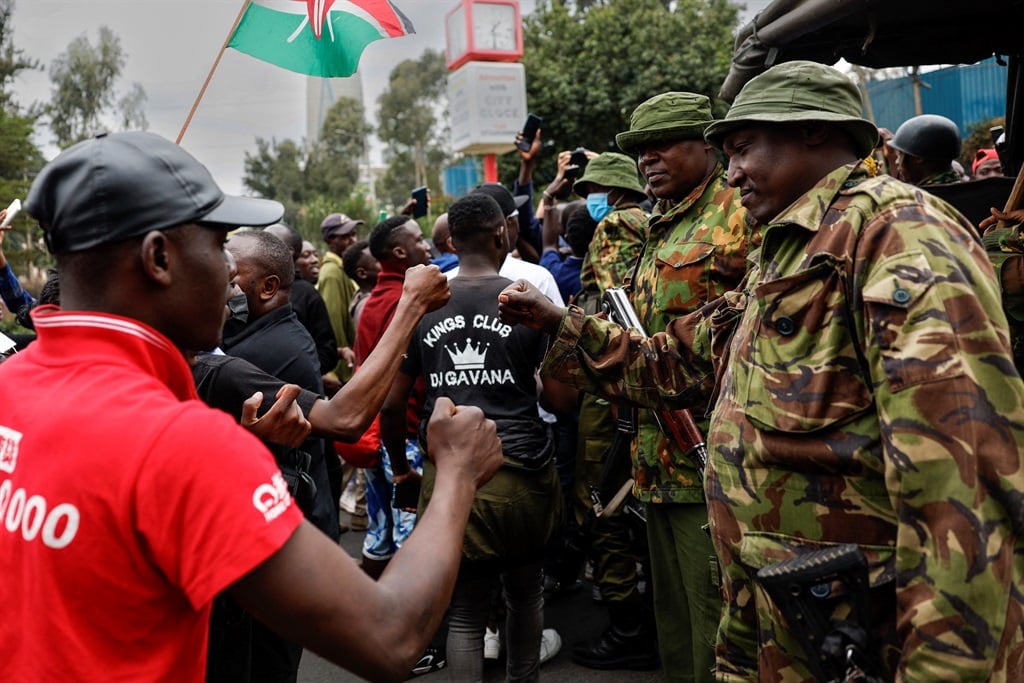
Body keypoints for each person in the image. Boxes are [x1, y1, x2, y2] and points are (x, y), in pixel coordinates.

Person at [498, 61, 1024, 681]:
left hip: (869, 626)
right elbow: (677, 361)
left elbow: (961, 476)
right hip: (791, 608)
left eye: (743, 148)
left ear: (813, 133)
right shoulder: (790, 246)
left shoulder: (899, 234)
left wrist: (945, 666)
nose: (733, 169)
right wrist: (560, 325)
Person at [0, 130, 503, 682]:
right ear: (159, 258)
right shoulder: (184, 444)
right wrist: (456, 471)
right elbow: (390, 636)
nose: (227, 276)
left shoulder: (11, 384)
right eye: (217, 245)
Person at [382, 193, 564, 683]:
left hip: (451, 479)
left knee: (464, 613)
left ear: (451, 242)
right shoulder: (530, 299)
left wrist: (402, 467)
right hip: (523, 469)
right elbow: (560, 401)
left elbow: (392, 403)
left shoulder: (425, 303)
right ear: (501, 234)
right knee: (526, 596)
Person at [354, 215, 435, 579]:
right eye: (420, 240)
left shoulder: (372, 301)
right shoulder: (407, 303)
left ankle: (368, 613)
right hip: (402, 435)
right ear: (401, 252)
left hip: (371, 433)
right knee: (412, 538)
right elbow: (402, 387)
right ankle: (415, 633)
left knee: (379, 531)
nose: (428, 245)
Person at [264, 223, 339, 378]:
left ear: (288, 251)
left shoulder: (307, 294)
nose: (259, 246)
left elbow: (327, 351)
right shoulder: (253, 288)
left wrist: (300, 374)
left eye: (268, 242)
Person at [317, 212, 362, 389]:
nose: (352, 240)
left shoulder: (343, 268)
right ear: (330, 240)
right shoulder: (332, 273)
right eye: (345, 237)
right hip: (345, 367)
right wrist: (337, 368)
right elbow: (333, 321)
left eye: (353, 234)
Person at [889, 113, 964, 186]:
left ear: (919, 157)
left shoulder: (918, 197)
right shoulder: (967, 190)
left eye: (900, 154)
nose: (897, 162)